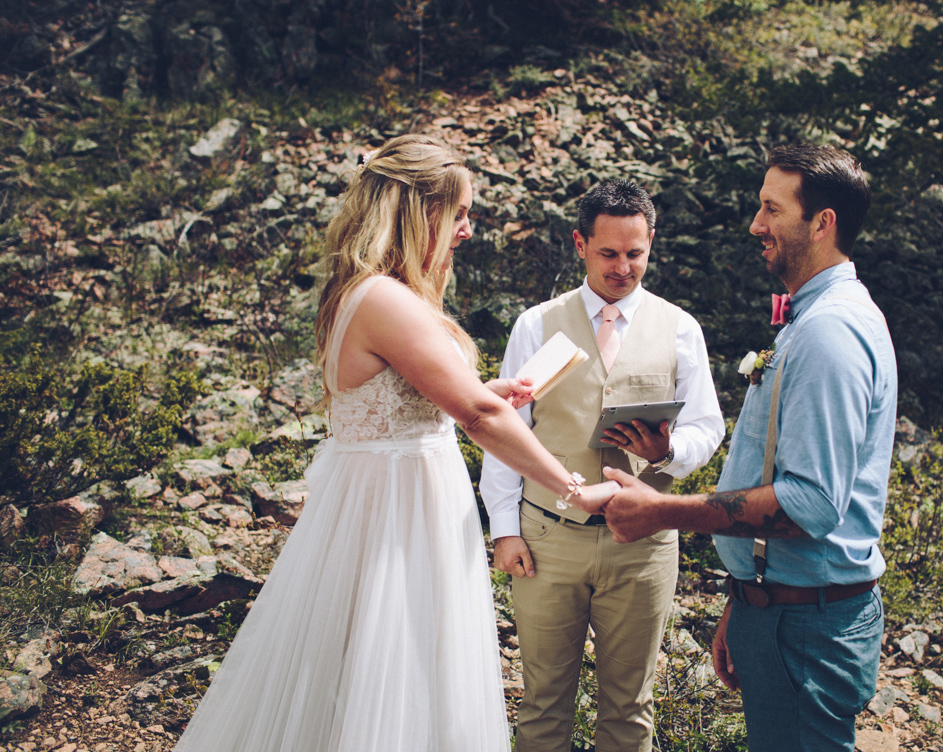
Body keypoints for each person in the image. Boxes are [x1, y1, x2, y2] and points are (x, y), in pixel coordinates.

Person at [174, 134, 617, 752]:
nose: (467, 230)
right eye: (458, 213)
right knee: (395, 663)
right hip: (395, 513)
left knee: (390, 665)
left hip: (398, 498)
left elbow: (418, 399)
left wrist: (476, 388)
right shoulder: (384, 297)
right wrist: (574, 487)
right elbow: (480, 417)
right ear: (418, 212)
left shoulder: (368, 291)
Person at [602, 144, 897, 752]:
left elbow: (808, 505)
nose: (756, 225)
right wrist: (748, 594)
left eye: (771, 209)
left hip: (808, 626)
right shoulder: (811, 317)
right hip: (782, 607)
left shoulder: (830, 332)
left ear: (822, 223)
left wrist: (662, 512)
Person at [479, 179, 724, 752]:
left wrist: (669, 452)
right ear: (580, 244)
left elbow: (708, 427)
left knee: (630, 707)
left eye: (634, 253)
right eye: (609, 252)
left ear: (651, 244)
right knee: (541, 703)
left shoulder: (682, 328)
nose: (622, 267)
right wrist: (505, 529)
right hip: (546, 540)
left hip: (643, 546)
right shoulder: (536, 324)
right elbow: (506, 429)